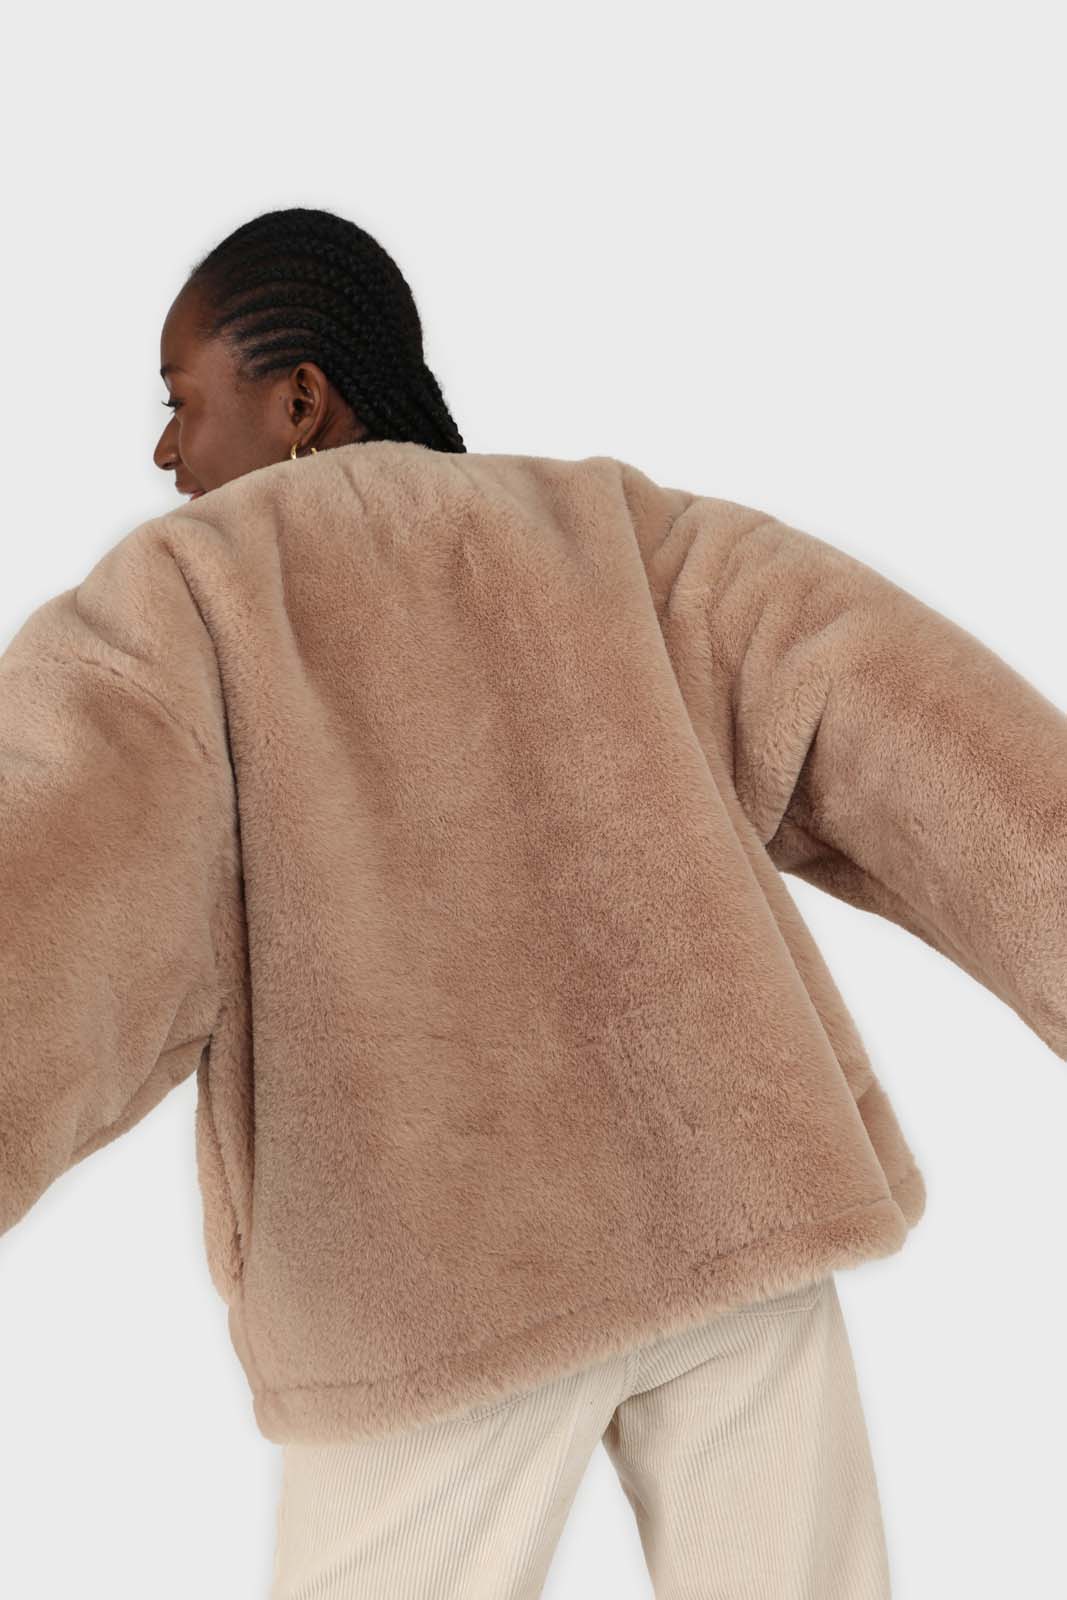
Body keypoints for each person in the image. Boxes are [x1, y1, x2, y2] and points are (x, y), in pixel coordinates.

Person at [2, 205, 1064, 1600]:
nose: (164, 452)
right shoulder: (611, 531)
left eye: (179, 402)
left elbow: (62, 882)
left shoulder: (184, 603)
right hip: (738, 1216)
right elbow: (917, 729)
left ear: (300, 399)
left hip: (433, 1287)